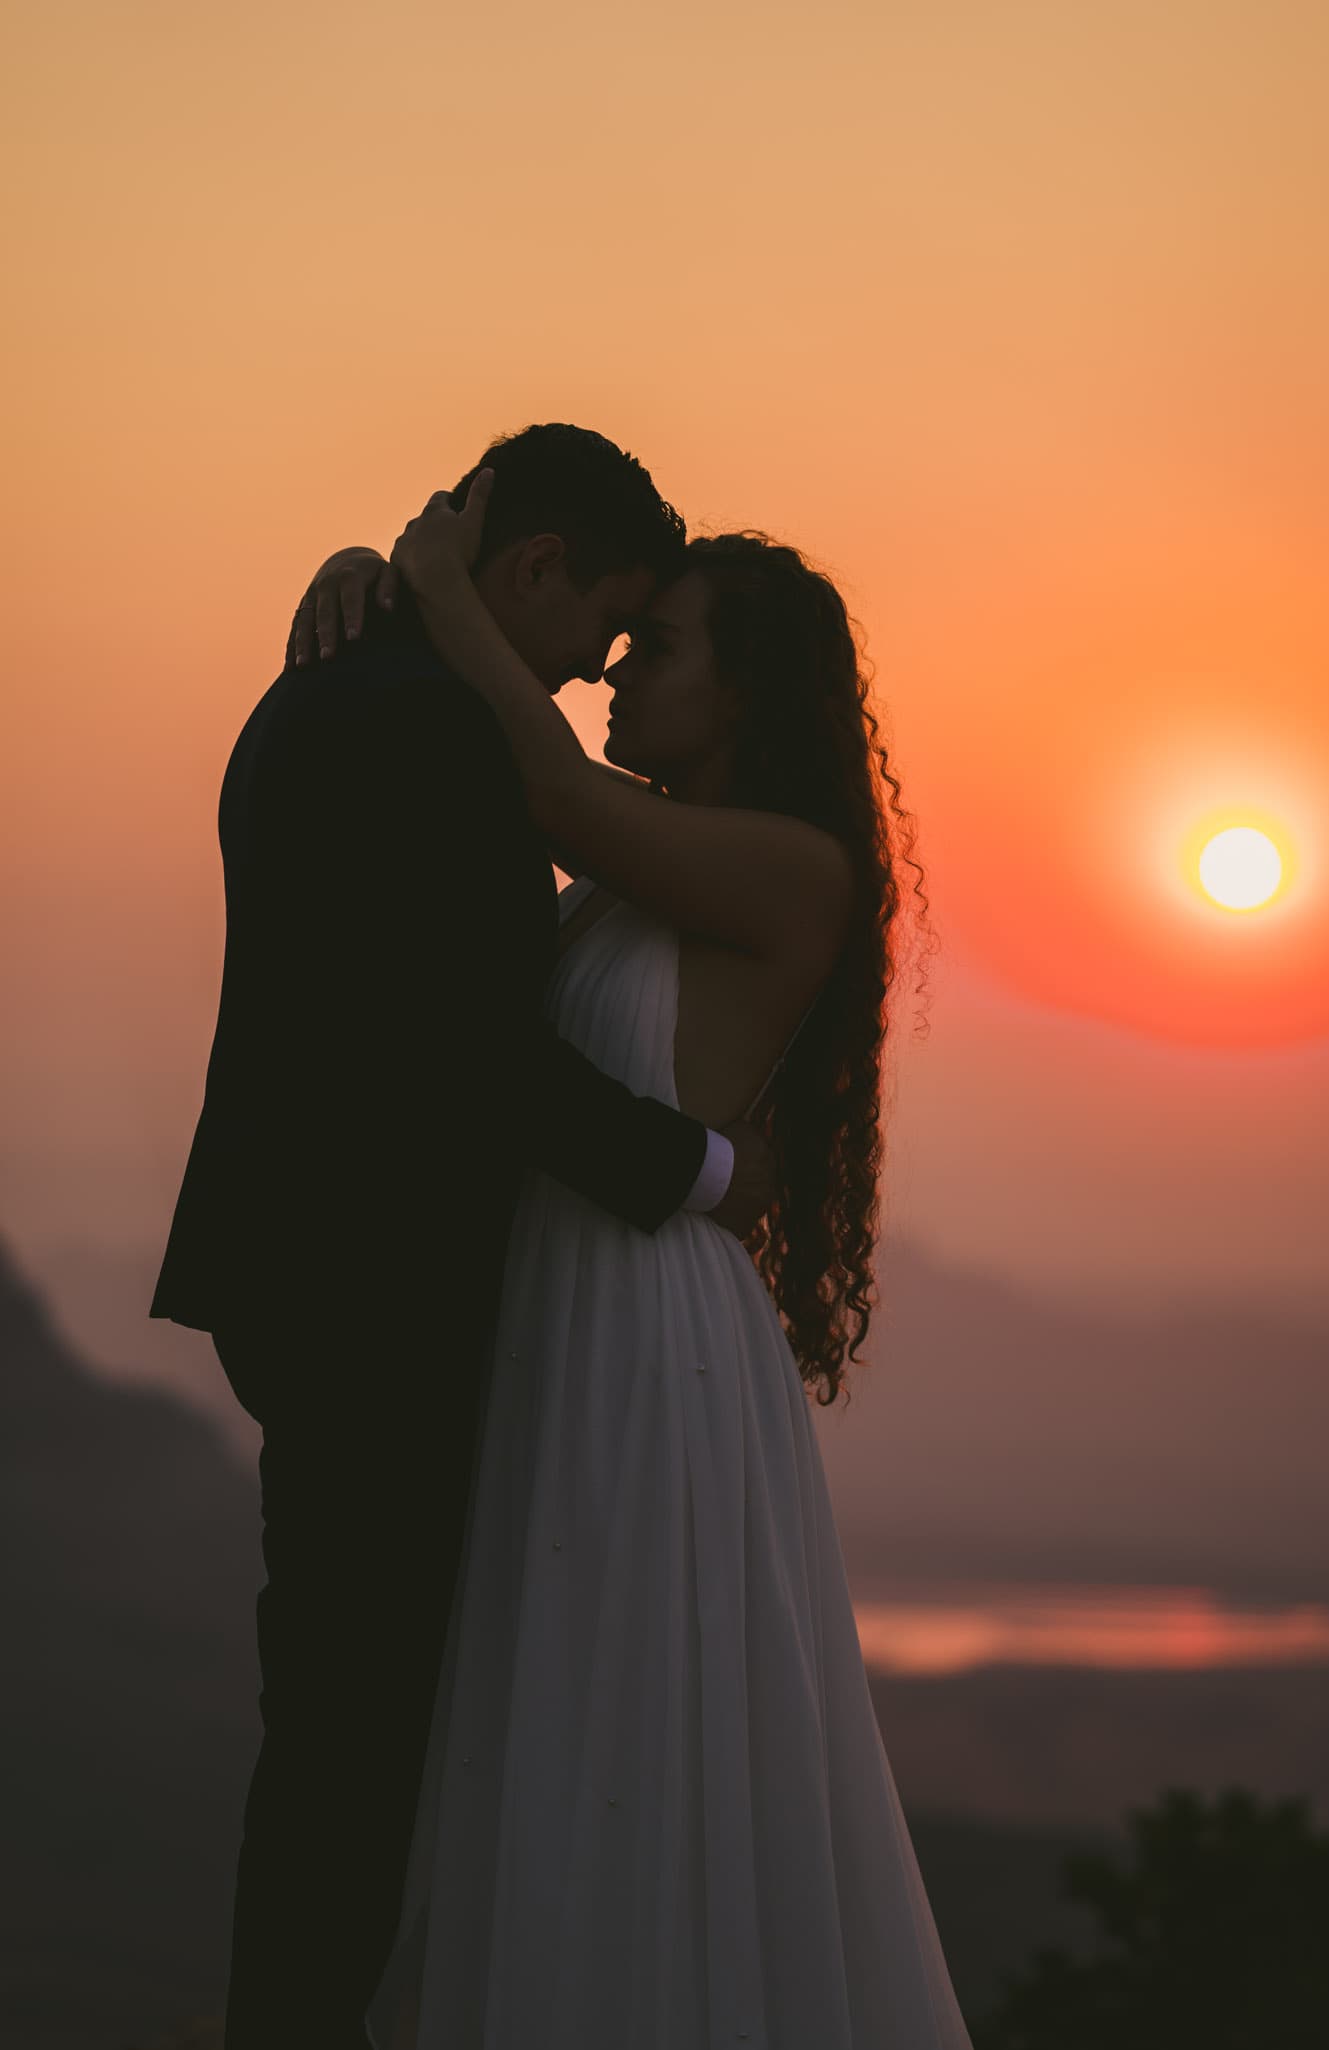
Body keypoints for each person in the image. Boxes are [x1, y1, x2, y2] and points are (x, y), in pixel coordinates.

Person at [293, 473, 970, 2047]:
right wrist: (370, 593)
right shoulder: (640, 866)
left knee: (624, 1715)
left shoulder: (787, 865)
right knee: (535, 1719)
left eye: (652, 647)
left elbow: (549, 793)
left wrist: (433, 585)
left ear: (741, 689)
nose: (610, 670)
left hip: (641, 1342)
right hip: (558, 1307)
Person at [149, 423, 775, 2050]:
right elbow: (469, 1048)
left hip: (320, 1279)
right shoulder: (428, 726)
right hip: (380, 1303)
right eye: (601, 629)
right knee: (356, 1749)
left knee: (353, 1725)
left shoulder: (331, 684)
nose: (592, 674)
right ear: (539, 568)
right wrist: (701, 1169)